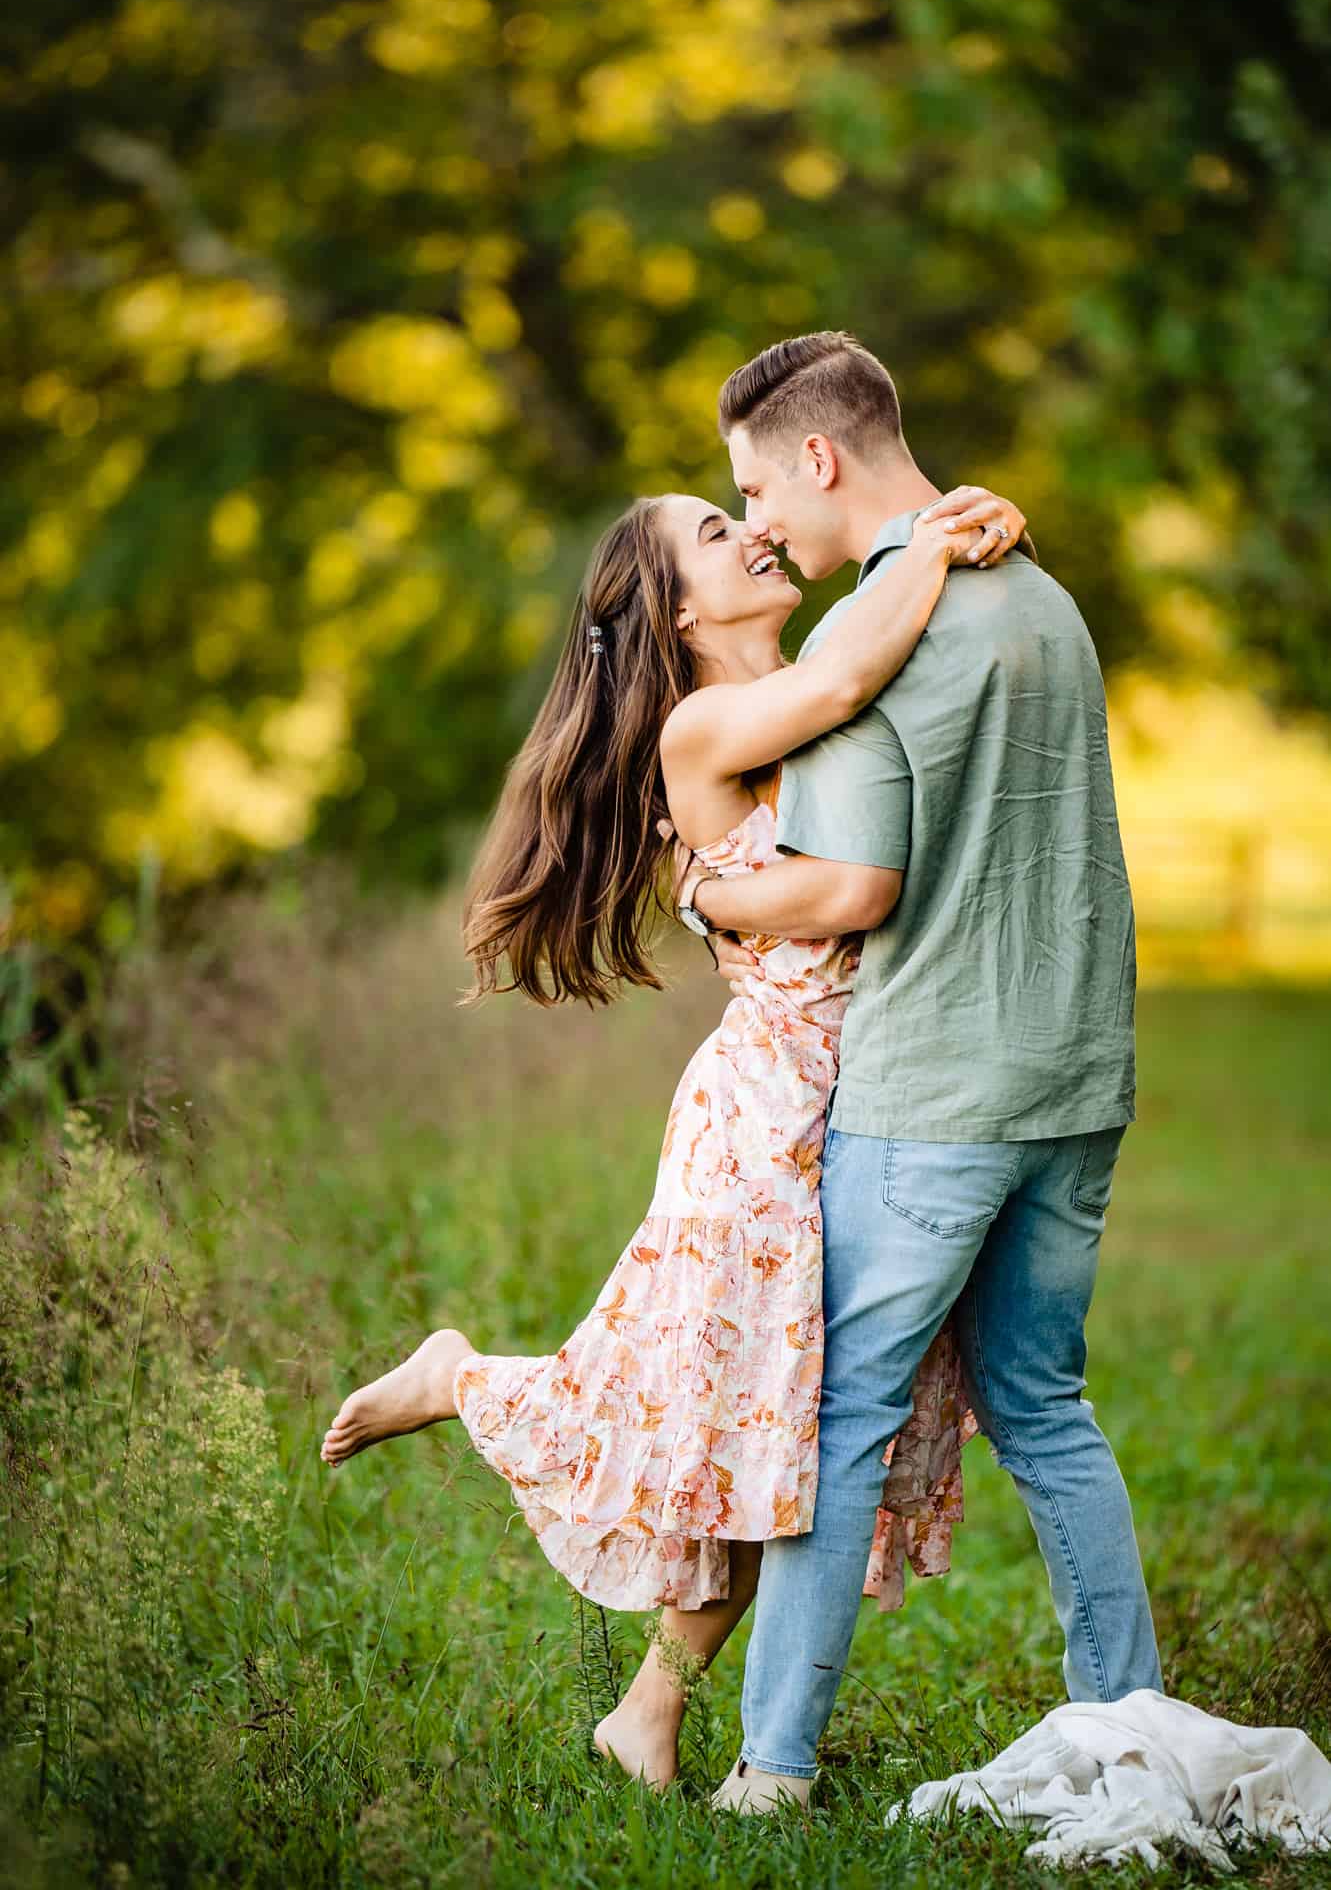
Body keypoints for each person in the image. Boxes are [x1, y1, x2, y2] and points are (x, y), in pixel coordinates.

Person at [319, 457, 1028, 1789]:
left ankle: (648, 1711)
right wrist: (930, 539)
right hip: (760, 1135)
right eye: (716, 532)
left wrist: (971, 517)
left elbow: (872, 684)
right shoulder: (706, 732)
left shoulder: (808, 689)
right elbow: (843, 693)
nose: (752, 532)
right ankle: (462, 1378)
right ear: (676, 609)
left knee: (780, 1438)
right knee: (727, 1426)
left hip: (867, 1112)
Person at [671, 331, 1161, 1815]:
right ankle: (1133, 1729)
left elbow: (850, 879)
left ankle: (773, 1768)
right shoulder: (1048, 601)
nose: (759, 522)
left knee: (846, 1416)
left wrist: (706, 892)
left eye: (758, 486)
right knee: (1045, 1405)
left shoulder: (861, 649)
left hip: (933, 1086)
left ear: (819, 457)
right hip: (1078, 1073)